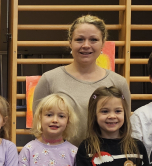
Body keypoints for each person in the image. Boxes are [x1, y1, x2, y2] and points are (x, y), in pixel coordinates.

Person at [32, 15, 131, 146]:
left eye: (93, 40)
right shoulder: (49, 79)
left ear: (103, 43)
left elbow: (125, 128)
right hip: (61, 157)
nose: (86, 45)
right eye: (79, 39)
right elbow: (39, 127)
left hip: (105, 156)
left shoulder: (118, 82)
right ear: (70, 43)